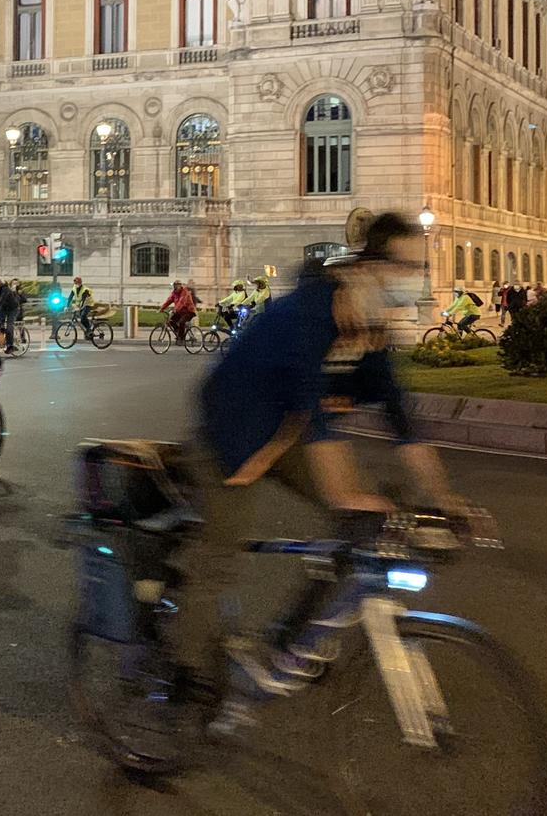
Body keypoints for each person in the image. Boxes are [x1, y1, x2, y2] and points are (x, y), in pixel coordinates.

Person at [173, 212, 468, 705]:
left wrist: (443, 496)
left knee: (358, 522)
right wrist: (350, 496)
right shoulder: (310, 314)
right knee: (222, 548)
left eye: (421, 267)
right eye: (404, 266)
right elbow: (315, 419)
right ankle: (180, 669)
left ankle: (291, 636)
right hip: (233, 430)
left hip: (286, 433)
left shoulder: (370, 328)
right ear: (368, 266)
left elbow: (402, 419)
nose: (412, 279)